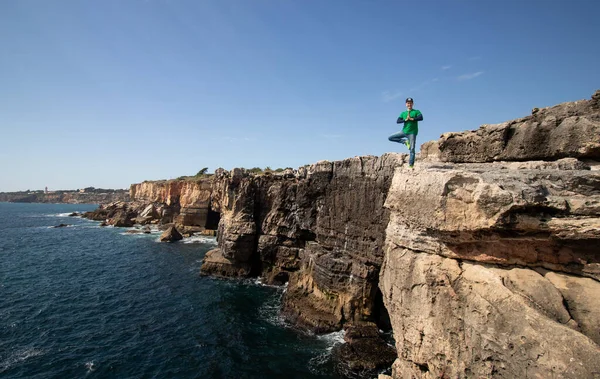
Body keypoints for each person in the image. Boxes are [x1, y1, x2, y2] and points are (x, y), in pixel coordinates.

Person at [388, 97, 423, 168]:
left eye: (410, 103)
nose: (409, 104)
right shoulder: (403, 113)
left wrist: (412, 119)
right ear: (406, 104)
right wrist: (405, 120)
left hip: (412, 132)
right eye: (408, 103)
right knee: (390, 138)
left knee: (412, 149)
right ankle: (404, 142)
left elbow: (421, 118)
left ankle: (411, 165)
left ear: (412, 104)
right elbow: (398, 121)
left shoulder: (416, 111)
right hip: (403, 131)